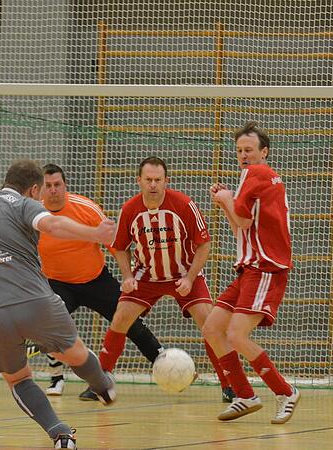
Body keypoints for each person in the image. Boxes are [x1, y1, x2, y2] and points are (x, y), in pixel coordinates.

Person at [0, 159, 117, 449]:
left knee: (18, 379)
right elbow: (53, 223)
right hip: (32, 300)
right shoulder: (23, 204)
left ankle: (60, 434)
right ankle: (103, 387)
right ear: (34, 189)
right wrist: (94, 234)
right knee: (75, 353)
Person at [97, 156, 233, 400]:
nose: (153, 185)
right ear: (139, 180)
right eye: (148, 180)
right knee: (121, 317)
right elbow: (119, 247)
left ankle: (229, 385)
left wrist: (190, 279)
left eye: (157, 180)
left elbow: (204, 244)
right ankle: (100, 380)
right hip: (147, 275)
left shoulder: (183, 204)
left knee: (210, 324)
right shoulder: (130, 209)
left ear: (166, 181)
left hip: (185, 272)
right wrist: (127, 276)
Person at [36, 163, 164, 400]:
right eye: (48, 186)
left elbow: (114, 244)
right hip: (57, 283)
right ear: (41, 189)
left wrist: (128, 276)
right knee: (49, 322)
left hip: (95, 279)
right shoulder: (34, 214)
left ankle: (163, 361)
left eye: (57, 185)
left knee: (127, 320)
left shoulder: (86, 208)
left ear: (65, 186)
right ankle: (56, 377)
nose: (53, 190)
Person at [202, 121, 300, 424]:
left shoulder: (256, 174)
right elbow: (240, 228)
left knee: (236, 334)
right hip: (249, 268)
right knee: (212, 329)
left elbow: (242, 222)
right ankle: (244, 395)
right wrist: (227, 203)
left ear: (264, 152)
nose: (244, 155)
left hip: (265, 268)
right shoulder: (256, 178)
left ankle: (285, 392)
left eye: (249, 150)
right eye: (240, 151)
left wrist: (226, 199)